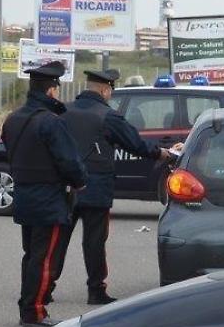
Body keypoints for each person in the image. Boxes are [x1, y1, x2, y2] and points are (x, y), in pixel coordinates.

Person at [55, 69, 175, 305]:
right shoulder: (107, 116)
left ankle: (46, 286)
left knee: (57, 240)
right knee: (94, 242)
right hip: (95, 189)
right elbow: (135, 144)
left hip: (65, 188)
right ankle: (95, 290)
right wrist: (162, 154)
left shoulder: (62, 112)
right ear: (105, 89)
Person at [1, 61, 87, 327]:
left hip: (24, 196)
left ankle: (28, 307)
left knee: (31, 255)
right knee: (44, 257)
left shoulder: (13, 119)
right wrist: (79, 182)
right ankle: (34, 313)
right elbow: (69, 162)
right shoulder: (51, 122)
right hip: (49, 198)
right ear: (51, 91)